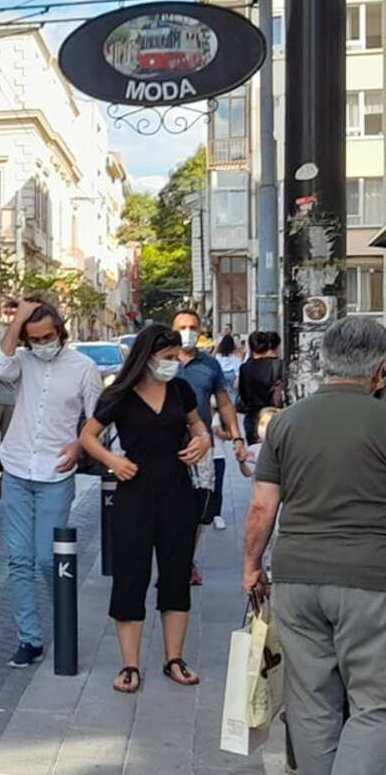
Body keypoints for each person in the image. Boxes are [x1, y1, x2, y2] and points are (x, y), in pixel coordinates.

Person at [243, 317, 386, 775]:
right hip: (371, 578)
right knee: (374, 703)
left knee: (309, 701)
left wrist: (251, 566)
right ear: (381, 370)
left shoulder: (285, 423)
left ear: (322, 363)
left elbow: (263, 508)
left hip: (296, 576)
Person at [80, 323, 210, 693]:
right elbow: (88, 437)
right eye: (168, 358)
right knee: (130, 578)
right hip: (133, 494)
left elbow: (200, 428)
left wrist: (201, 441)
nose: (174, 364)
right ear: (148, 357)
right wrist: (113, 461)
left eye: (176, 357)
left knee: (175, 575)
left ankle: (174, 659)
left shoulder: (180, 390)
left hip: (177, 492)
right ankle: (130, 665)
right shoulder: (119, 394)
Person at [0, 297, 102, 668]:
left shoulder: (84, 368)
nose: (42, 344)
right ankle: (30, 640)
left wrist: (77, 445)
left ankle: (64, 625)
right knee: (18, 559)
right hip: (17, 467)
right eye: (34, 339)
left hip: (56, 473)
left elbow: (99, 419)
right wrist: (18, 319)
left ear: (60, 331)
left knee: (46, 557)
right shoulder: (21, 363)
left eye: (47, 336)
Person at [170, 310, 245, 575]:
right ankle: (172, 559)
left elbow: (223, 401)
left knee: (199, 508)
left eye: (192, 326)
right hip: (166, 446)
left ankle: (187, 561)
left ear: (200, 330)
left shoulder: (209, 364)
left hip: (201, 446)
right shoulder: (161, 361)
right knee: (168, 507)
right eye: (181, 327)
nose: (187, 332)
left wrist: (236, 436)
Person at [238, 331, 282, 443]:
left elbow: (242, 393)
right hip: (273, 414)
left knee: (255, 453)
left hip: (252, 416)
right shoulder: (278, 364)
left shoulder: (245, 368)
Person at [215, 334, 241, 400]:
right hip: (231, 374)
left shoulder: (218, 355)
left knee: (222, 393)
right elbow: (238, 366)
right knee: (233, 392)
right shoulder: (234, 356)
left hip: (221, 374)